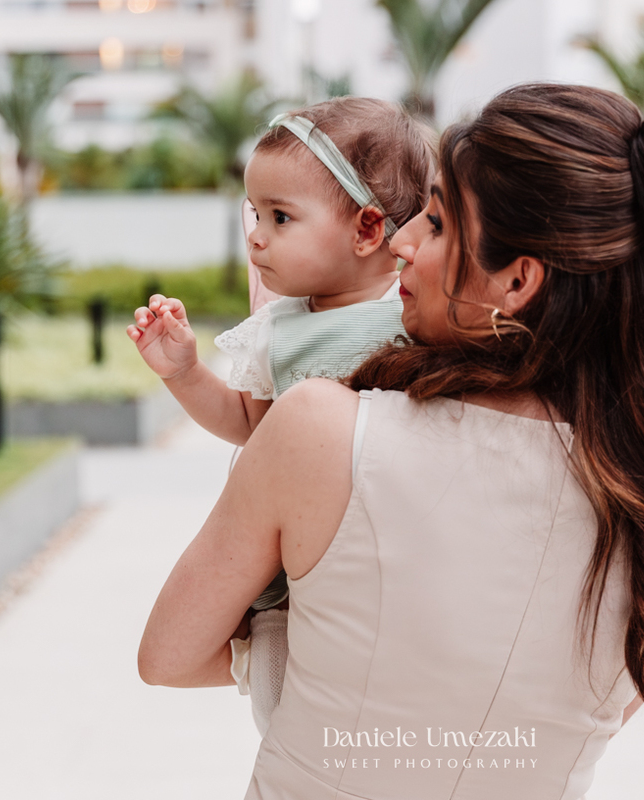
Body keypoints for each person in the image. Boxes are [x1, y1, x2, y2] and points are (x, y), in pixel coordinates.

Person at [138, 83, 644, 800]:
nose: (401, 242)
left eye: (437, 223)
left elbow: (169, 655)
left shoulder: (324, 430)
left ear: (518, 280)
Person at [126, 97, 434, 736]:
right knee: (290, 704)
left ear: (368, 230)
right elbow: (249, 424)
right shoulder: (278, 331)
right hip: (290, 578)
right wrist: (183, 372)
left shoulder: (412, 317)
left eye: (281, 216)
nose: (256, 236)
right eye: (256, 214)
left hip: (386, 557)